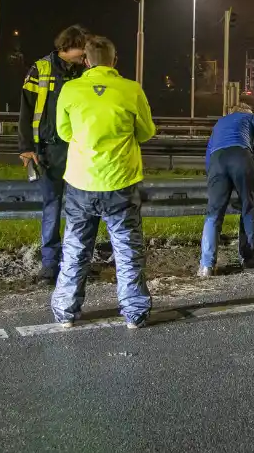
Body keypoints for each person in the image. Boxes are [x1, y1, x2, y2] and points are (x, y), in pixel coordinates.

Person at [49, 35, 156, 329]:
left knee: (75, 247)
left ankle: (66, 311)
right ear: (115, 60)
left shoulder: (71, 89)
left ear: (86, 61)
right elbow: (146, 132)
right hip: (121, 181)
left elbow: (64, 132)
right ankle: (134, 313)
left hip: (81, 182)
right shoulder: (131, 90)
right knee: (127, 249)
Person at [18, 25, 89, 284]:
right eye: (83, 48)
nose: (86, 54)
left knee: (78, 208)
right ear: (68, 46)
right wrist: (26, 147)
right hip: (48, 150)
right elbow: (25, 110)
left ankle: (74, 261)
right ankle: (49, 264)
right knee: (52, 207)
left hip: (77, 150)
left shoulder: (85, 71)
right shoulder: (41, 69)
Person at [198, 103, 254, 277]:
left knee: (214, 213)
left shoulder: (219, 123)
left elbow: (208, 153)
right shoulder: (250, 117)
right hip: (241, 158)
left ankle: (206, 266)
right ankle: (247, 258)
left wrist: (212, 175)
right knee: (248, 208)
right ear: (247, 111)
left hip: (217, 162)